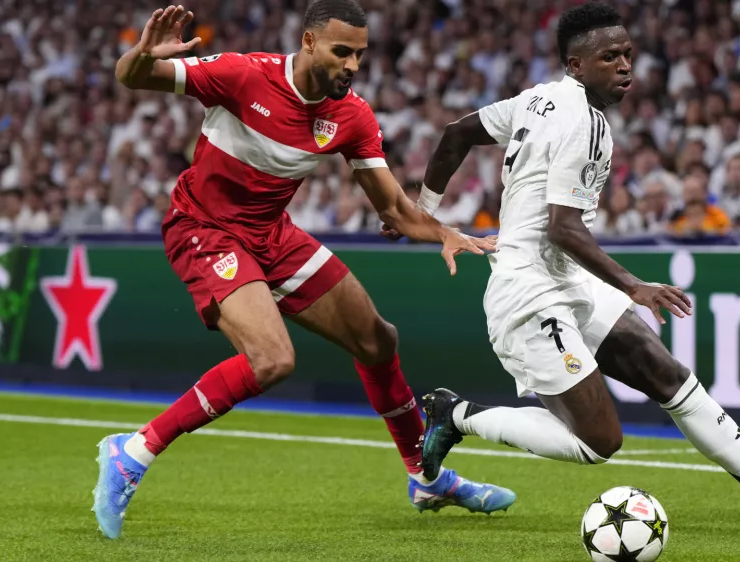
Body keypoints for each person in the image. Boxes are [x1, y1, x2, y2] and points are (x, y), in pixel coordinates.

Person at [393, 3, 740, 534]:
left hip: (566, 277)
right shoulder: (583, 122)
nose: (625, 66)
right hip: (528, 291)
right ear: (575, 64)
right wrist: (633, 285)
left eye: (628, 54)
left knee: (665, 372)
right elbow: (564, 226)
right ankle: (455, 414)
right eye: (609, 56)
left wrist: (419, 212)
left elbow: (455, 133)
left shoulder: (536, 99)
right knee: (598, 442)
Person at [91, 1, 515, 540]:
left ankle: (425, 477)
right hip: (205, 228)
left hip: (273, 234)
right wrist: (142, 53)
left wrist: (445, 232)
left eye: (360, 55)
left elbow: (392, 209)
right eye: (342, 52)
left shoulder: (352, 116)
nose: (353, 65)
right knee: (271, 360)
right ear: (309, 42)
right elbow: (131, 77)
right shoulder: (241, 75)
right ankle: (132, 452)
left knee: (378, 340)